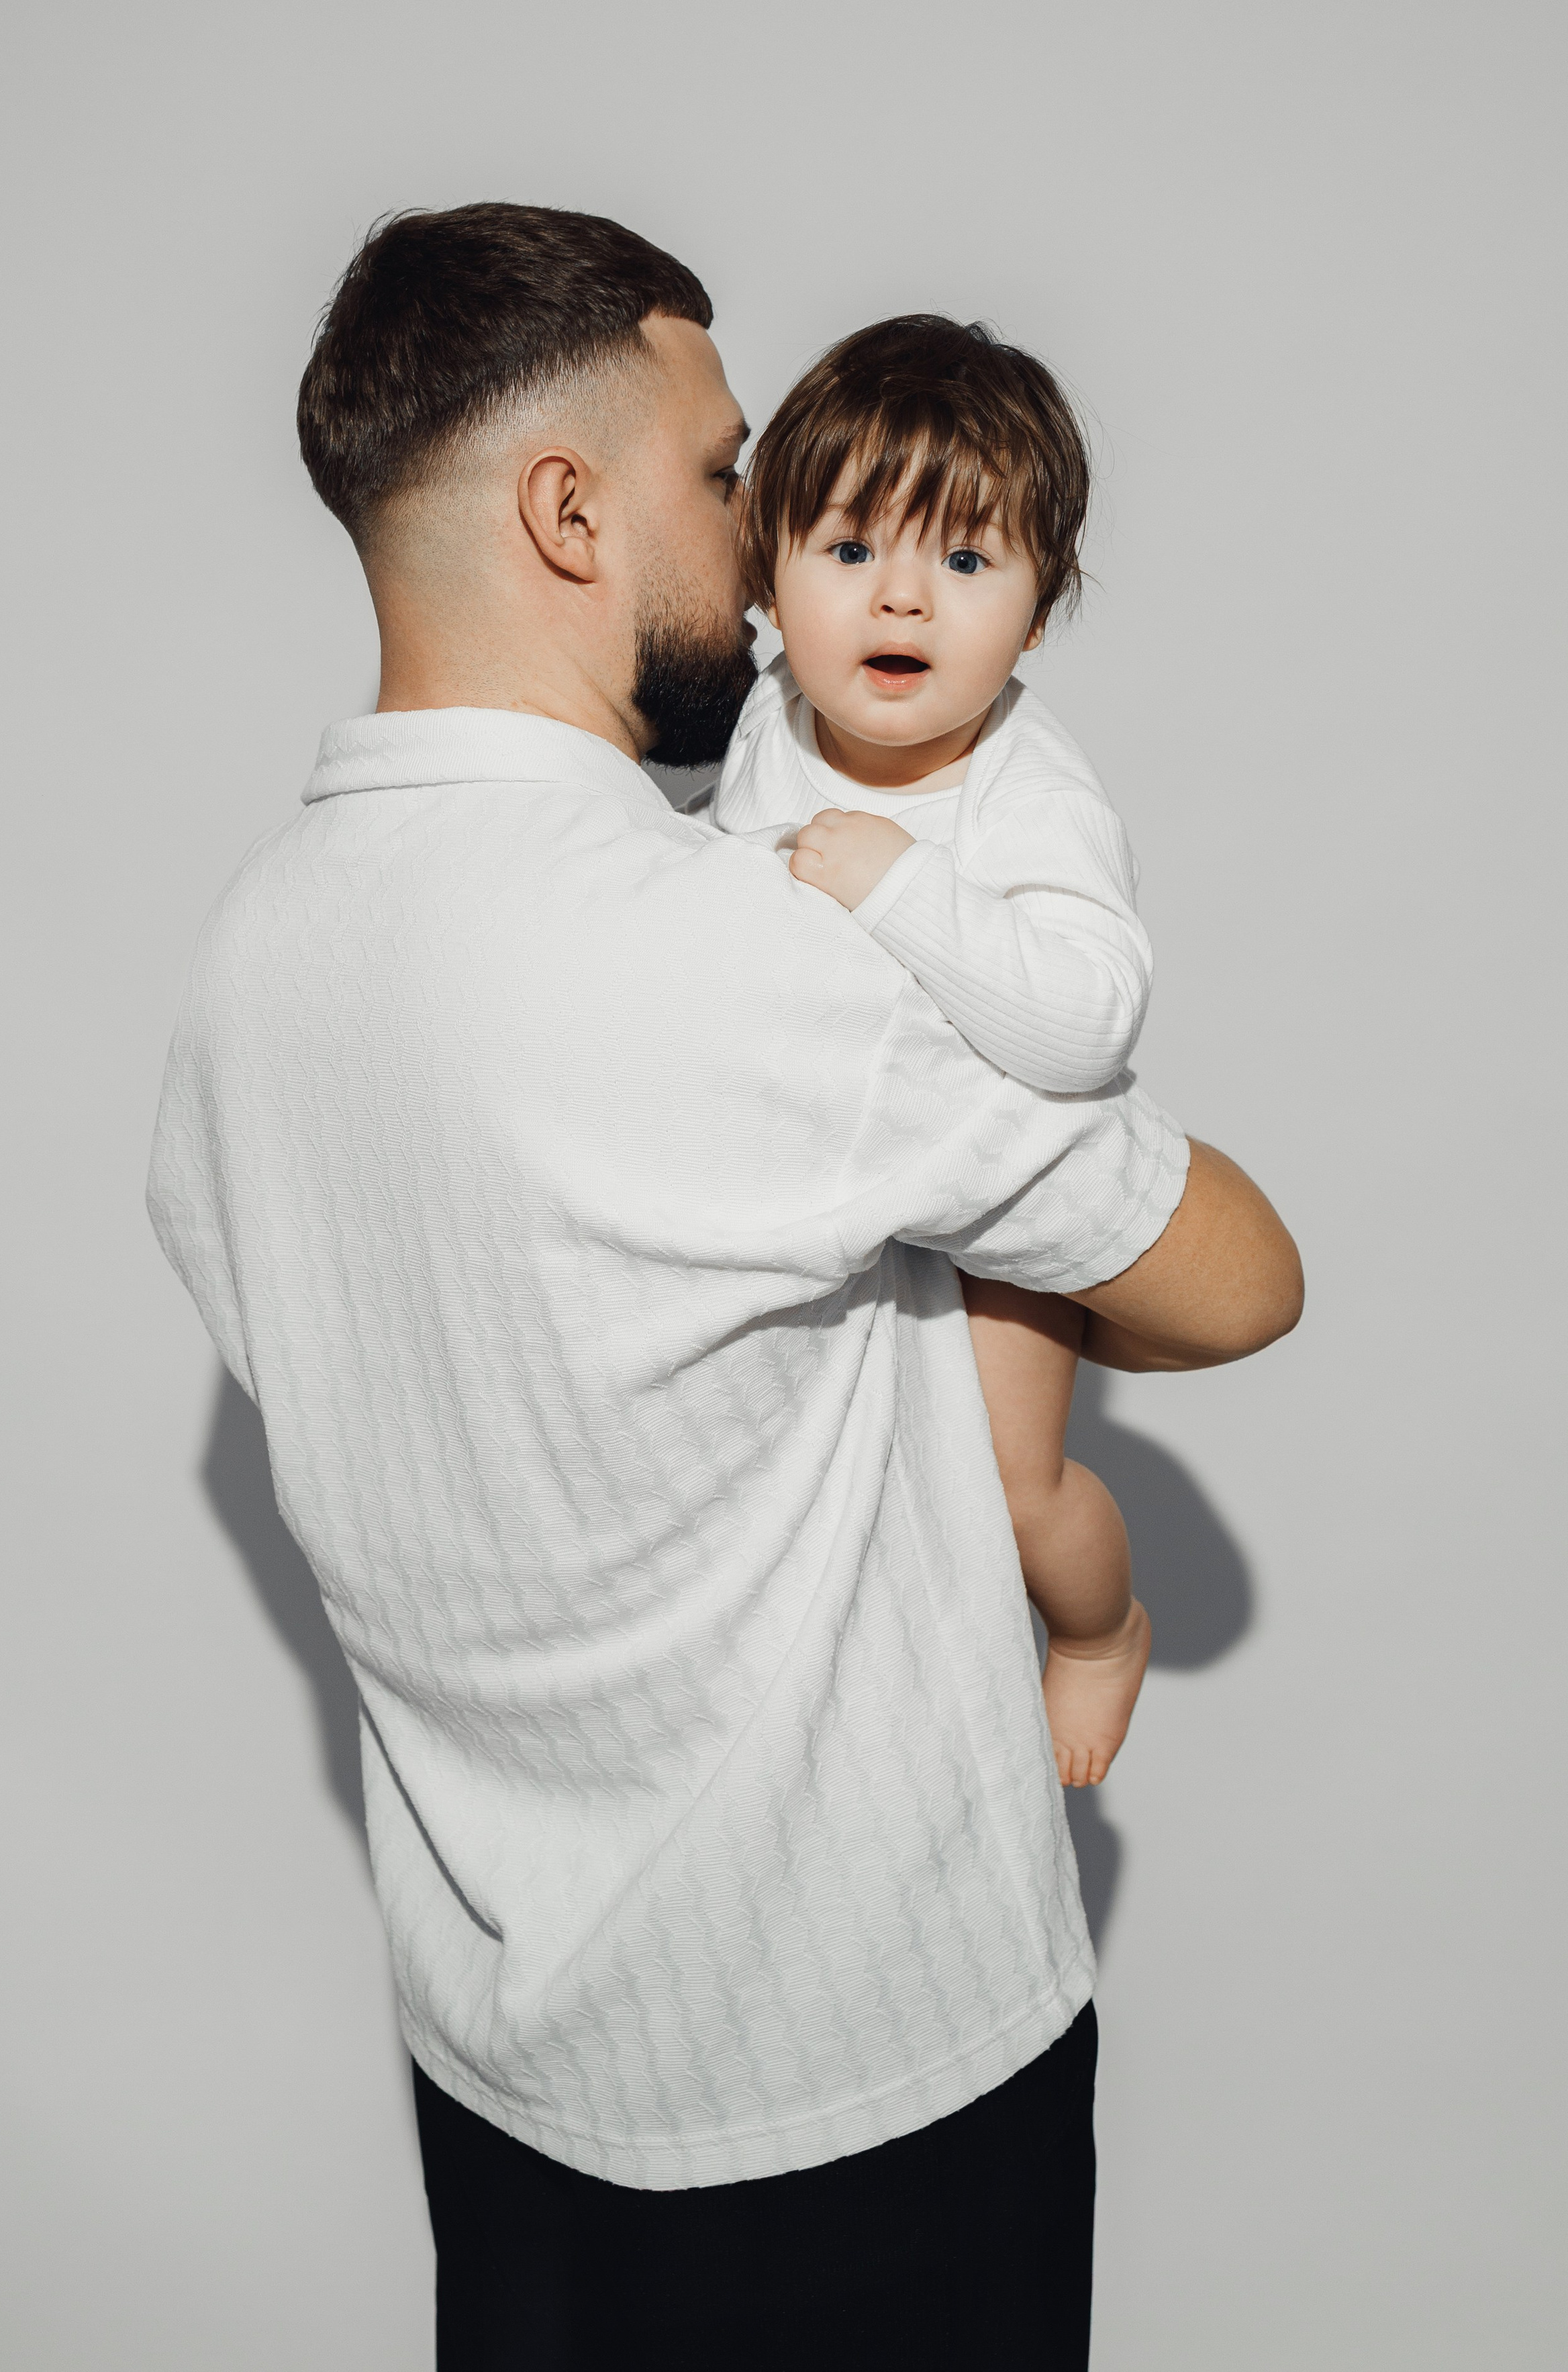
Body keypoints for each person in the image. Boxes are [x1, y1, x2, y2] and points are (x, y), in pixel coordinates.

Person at [148, 202, 1301, 2370]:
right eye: (721, 470)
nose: (763, 523)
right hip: (859, 2079)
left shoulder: (241, 969)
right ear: (571, 510)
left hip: (506, 2083)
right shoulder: (738, 960)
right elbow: (1240, 1283)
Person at [714, 315, 1153, 1790]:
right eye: (846, 550)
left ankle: (1098, 1631)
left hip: (997, 1212)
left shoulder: (1026, 784)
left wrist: (895, 878)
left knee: (1009, 1492)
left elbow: (1087, 1024)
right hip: (827, 1189)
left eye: (965, 563)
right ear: (764, 571)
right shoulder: (759, 725)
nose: (900, 594)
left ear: (1035, 616)